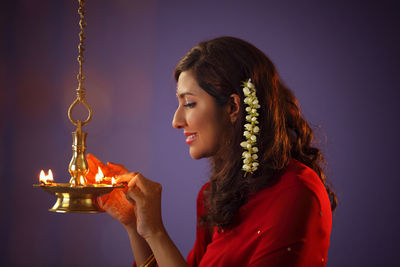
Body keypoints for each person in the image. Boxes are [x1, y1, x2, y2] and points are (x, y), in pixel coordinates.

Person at [86, 36, 337, 267]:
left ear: (232, 106)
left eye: (189, 103)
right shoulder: (214, 195)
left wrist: (156, 231)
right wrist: (136, 224)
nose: (176, 120)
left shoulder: (297, 193)